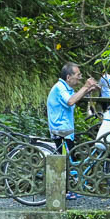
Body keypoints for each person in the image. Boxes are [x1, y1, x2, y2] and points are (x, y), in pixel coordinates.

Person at [46, 62, 100, 199]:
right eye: (78, 75)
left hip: (66, 130)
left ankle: (67, 189)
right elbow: (70, 101)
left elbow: (75, 97)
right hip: (60, 130)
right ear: (68, 77)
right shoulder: (60, 88)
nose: (80, 78)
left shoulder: (66, 87)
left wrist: (88, 90)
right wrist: (86, 86)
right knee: (64, 162)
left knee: (68, 160)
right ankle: (61, 192)